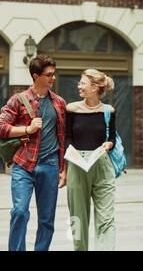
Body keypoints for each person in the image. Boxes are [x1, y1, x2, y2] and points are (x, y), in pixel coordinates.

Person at [0, 55, 67, 251]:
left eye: (54, 74)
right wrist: (27, 130)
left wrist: (63, 168)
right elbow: (1, 126)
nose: (53, 78)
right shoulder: (18, 100)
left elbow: (63, 137)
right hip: (24, 165)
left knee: (47, 218)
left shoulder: (60, 103)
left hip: (50, 165)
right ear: (36, 76)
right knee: (20, 212)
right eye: (49, 75)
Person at [65, 69, 116, 251]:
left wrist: (109, 144)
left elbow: (112, 138)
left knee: (106, 218)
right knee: (77, 218)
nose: (79, 86)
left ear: (94, 87)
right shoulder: (71, 109)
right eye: (80, 83)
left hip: (102, 164)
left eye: (83, 83)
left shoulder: (108, 111)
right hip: (77, 165)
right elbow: (67, 137)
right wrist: (71, 154)